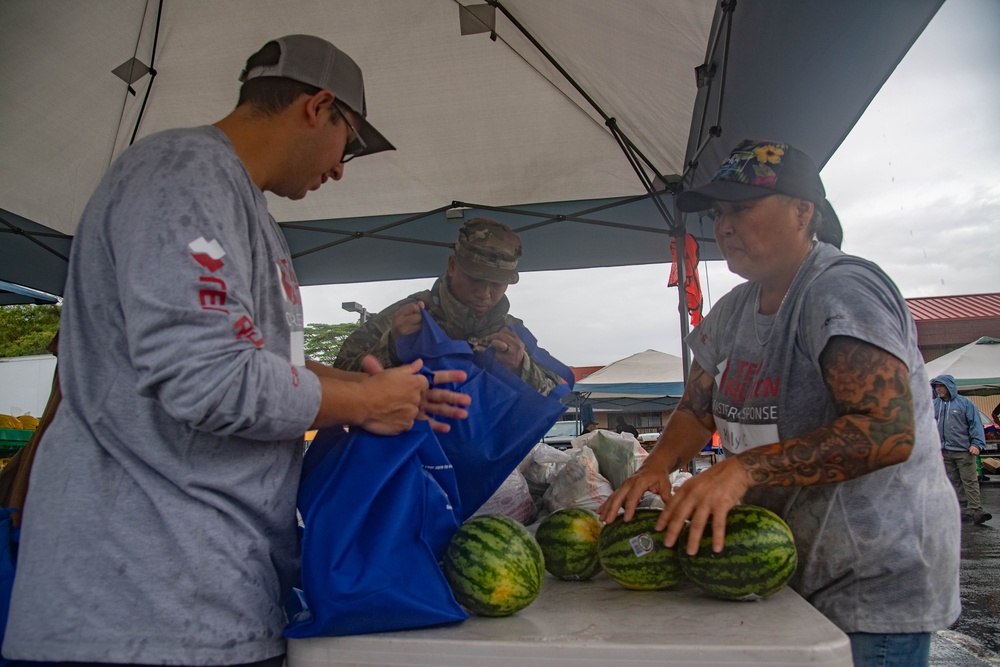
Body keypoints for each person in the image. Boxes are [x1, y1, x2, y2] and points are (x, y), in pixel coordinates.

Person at [3, 35, 471, 665]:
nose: (339, 168)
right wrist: (361, 405)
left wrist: (374, 391)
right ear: (318, 106)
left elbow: (251, 358)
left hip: (209, 600)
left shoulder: (240, 205)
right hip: (141, 611)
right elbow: (212, 379)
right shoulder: (182, 175)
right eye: (349, 144)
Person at [599, 139, 960, 667]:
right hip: (788, 571)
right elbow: (698, 409)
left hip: (870, 581)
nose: (724, 226)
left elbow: (887, 431)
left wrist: (743, 471)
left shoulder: (841, 289)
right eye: (720, 213)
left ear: (802, 211)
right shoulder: (731, 312)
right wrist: (655, 465)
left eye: (742, 209)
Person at [334, 218, 567, 395]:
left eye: (497, 284)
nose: (485, 293)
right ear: (453, 265)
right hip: (409, 452)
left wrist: (520, 368)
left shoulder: (513, 333)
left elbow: (553, 397)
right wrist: (392, 348)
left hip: (486, 456)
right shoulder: (405, 317)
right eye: (475, 279)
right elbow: (339, 383)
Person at [932, 374, 991, 524]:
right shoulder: (934, 405)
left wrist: (977, 444)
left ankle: (976, 510)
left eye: (941, 386)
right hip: (944, 452)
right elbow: (928, 427)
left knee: (969, 481)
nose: (938, 389)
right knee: (953, 482)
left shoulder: (965, 403)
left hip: (964, 450)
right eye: (936, 386)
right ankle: (962, 511)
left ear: (949, 386)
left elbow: (975, 424)